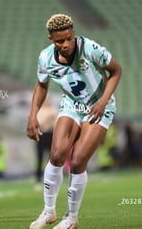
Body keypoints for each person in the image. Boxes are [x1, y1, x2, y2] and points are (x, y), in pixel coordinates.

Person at [27, 14, 122, 229]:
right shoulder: (45, 58)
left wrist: (104, 101)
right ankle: (49, 211)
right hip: (72, 105)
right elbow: (41, 85)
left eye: (69, 38)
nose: (66, 44)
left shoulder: (89, 48)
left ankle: (71, 217)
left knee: (78, 161)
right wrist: (33, 115)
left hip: (99, 105)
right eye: (60, 41)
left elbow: (116, 71)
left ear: (73, 33)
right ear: (51, 39)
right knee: (57, 155)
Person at [34, 94, 58, 189]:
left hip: (50, 134)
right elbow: (39, 124)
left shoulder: (53, 110)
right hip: (41, 135)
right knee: (39, 158)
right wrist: (48, 119)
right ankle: (38, 180)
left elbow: (56, 124)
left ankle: (50, 180)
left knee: (51, 159)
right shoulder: (39, 111)